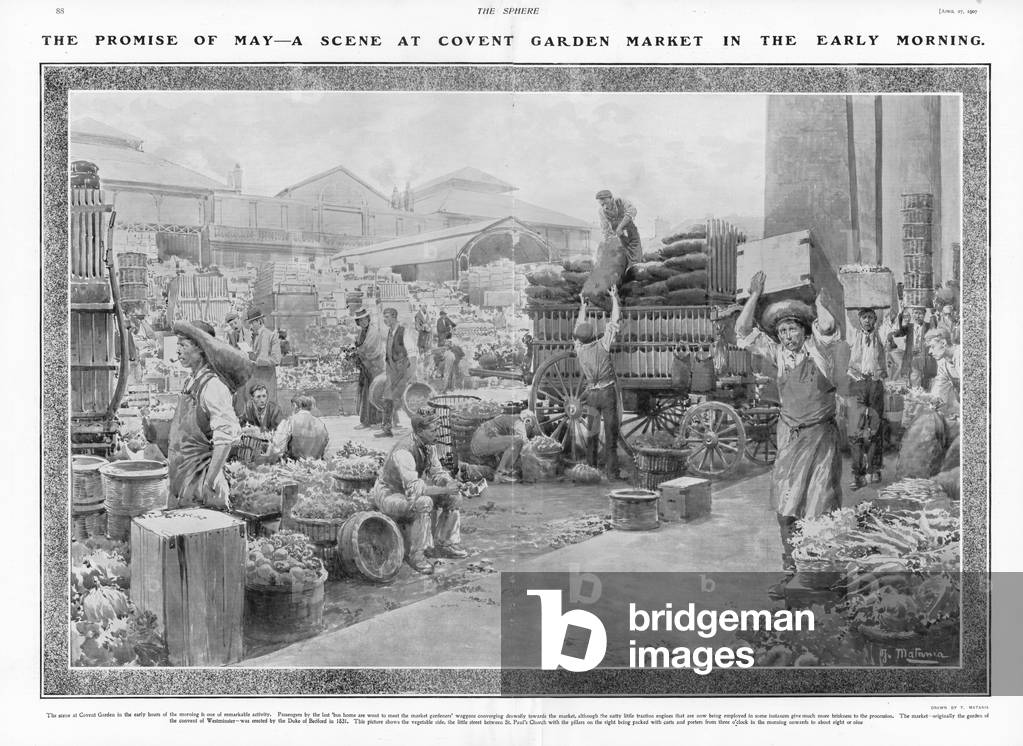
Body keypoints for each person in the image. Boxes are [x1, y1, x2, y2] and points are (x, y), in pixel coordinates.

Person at [735, 271, 842, 597]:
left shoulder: (818, 350)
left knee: (819, 508)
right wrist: (754, 296)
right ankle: (792, 572)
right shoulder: (779, 355)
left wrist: (818, 302)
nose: (786, 336)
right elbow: (743, 332)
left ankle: (824, 577)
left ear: (803, 329)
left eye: (791, 328)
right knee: (786, 509)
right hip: (790, 439)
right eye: (781, 331)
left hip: (820, 439)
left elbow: (827, 328)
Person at [371, 408, 468, 575]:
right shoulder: (404, 451)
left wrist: (450, 483)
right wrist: (444, 489)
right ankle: (417, 554)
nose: (437, 434)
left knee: (454, 497)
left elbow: (437, 472)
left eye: (437, 429)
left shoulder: (429, 446)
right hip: (390, 494)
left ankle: (446, 543)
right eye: (433, 430)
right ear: (420, 431)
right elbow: (415, 489)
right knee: (424, 502)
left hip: (407, 492)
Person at [167, 320, 249, 509]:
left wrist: (209, 481)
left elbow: (225, 438)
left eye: (183, 345)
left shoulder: (213, 386)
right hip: (182, 477)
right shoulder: (190, 382)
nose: (178, 350)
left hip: (201, 482)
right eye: (177, 344)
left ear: (201, 349)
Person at [574, 286, 622, 479]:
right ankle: (612, 473)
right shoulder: (603, 344)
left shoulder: (579, 349)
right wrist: (614, 298)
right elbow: (614, 321)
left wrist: (583, 307)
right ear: (593, 334)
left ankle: (591, 469)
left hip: (592, 396)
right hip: (607, 393)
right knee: (611, 435)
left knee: (592, 434)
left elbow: (580, 324)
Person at [846, 308, 887, 487]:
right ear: (859, 320)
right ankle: (858, 473)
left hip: (875, 384)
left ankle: (874, 469)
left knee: (875, 429)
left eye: (871, 318)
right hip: (857, 384)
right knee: (856, 430)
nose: (868, 321)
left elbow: (892, 319)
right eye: (864, 318)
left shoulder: (881, 336)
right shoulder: (853, 335)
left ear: (875, 320)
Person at [470, 409, 538, 483]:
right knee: (517, 441)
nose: (529, 431)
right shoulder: (519, 422)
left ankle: (500, 472)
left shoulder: (510, 419)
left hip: (478, 441)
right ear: (527, 421)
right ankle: (501, 474)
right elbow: (525, 445)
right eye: (531, 427)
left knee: (513, 444)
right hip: (482, 441)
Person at [377, 307, 411, 438]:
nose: (385, 320)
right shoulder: (390, 332)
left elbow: (411, 351)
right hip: (391, 370)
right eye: (384, 317)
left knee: (400, 398)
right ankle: (386, 428)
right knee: (388, 399)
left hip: (401, 370)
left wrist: (406, 370)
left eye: (387, 317)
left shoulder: (403, 331)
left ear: (394, 317)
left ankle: (418, 427)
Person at [265, 394, 330, 461]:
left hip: (293, 466)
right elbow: (326, 448)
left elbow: (278, 448)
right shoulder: (320, 424)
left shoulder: (289, 421)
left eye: (292, 406)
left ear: (295, 406)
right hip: (316, 466)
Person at [887, 306, 936, 388]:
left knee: (926, 379)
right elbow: (900, 332)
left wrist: (932, 313)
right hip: (912, 357)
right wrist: (900, 314)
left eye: (920, 313)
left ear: (924, 315)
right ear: (912, 314)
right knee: (914, 378)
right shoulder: (909, 327)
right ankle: (915, 391)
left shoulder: (927, 326)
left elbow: (934, 326)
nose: (917, 316)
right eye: (915, 313)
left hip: (924, 356)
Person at [352, 307, 385, 429]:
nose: (363, 322)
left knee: (375, 392)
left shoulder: (373, 332)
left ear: (368, 319)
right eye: (360, 320)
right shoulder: (361, 332)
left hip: (375, 367)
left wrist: (359, 352)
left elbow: (371, 349)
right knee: (365, 392)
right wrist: (357, 354)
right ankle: (366, 421)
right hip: (365, 366)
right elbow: (360, 347)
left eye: (364, 319)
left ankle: (377, 421)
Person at [847, 388, 882, 493]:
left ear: (866, 405)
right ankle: (858, 476)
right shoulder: (855, 412)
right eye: (857, 403)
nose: (858, 406)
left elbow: (873, 431)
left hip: (871, 438)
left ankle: (873, 470)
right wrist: (856, 434)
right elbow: (852, 429)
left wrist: (864, 433)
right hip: (859, 438)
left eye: (860, 404)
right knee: (856, 453)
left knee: (872, 450)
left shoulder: (873, 414)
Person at [245, 306, 282, 404]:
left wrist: (257, 361)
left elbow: (276, 359)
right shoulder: (251, 336)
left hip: (267, 380)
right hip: (253, 381)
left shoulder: (271, 336)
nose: (250, 327)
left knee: (268, 409)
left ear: (259, 321)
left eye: (252, 323)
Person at [596, 189, 642, 264]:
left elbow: (632, 211)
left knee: (636, 258)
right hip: (619, 237)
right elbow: (605, 228)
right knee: (621, 259)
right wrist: (609, 240)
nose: (605, 206)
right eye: (602, 204)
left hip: (631, 234)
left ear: (611, 198)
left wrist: (620, 227)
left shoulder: (621, 201)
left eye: (606, 202)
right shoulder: (601, 211)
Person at [925, 327, 961, 418]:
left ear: (943, 343)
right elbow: (938, 391)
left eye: (932, 347)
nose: (930, 352)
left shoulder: (961, 354)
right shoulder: (943, 365)